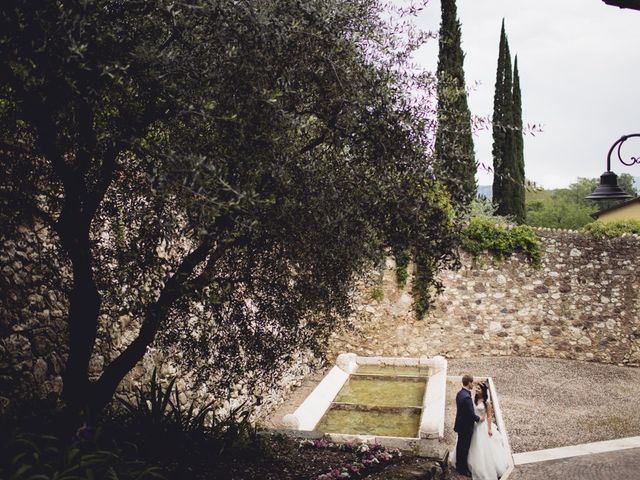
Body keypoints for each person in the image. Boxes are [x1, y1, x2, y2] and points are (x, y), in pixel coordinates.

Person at [466, 382, 510, 480]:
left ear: (483, 391)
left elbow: (489, 416)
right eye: (476, 388)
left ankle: (485, 468)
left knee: (482, 446)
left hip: (482, 426)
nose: (476, 390)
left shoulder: (486, 402)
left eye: (479, 389)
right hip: (474, 424)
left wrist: (489, 428)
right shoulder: (475, 398)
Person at [452, 374, 484, 477]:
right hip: (466, 427)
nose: (473, 384)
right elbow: (470, 415)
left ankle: (458, 465)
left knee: (460, 446)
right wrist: (479, 419)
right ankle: (463, 469)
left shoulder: (459, 393)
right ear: (469, 382)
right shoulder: (466, 397)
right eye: (472, 382)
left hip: (460, 424)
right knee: (464, 448)